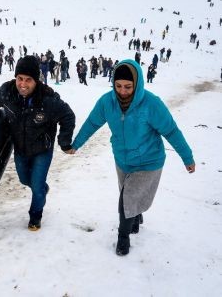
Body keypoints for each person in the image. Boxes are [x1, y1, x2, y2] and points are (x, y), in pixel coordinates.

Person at [70, 60, 195, 256]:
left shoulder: (151, 104)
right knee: (128, 195)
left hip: (148, 161)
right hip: (122, 159)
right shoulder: (107, 102)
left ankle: (123, 237)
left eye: (128, 87)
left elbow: (171, 131)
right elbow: (92, 123)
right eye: (118, 86)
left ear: (137, 83)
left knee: (126, 200)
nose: (122, 91)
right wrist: (76, 144)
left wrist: (187, 157)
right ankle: (135, 219)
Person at [0, 56, 76, 231]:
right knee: (25, 180)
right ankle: (41, 189)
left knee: (36, 186)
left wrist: (64, 141)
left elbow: (68, 116)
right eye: (20, 79)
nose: (23, 84)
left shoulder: (48, 99)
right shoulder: (7, 92)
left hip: (42, 150)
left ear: (36, 80)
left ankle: (35, 216)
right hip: (20, 148)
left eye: (28, 80)